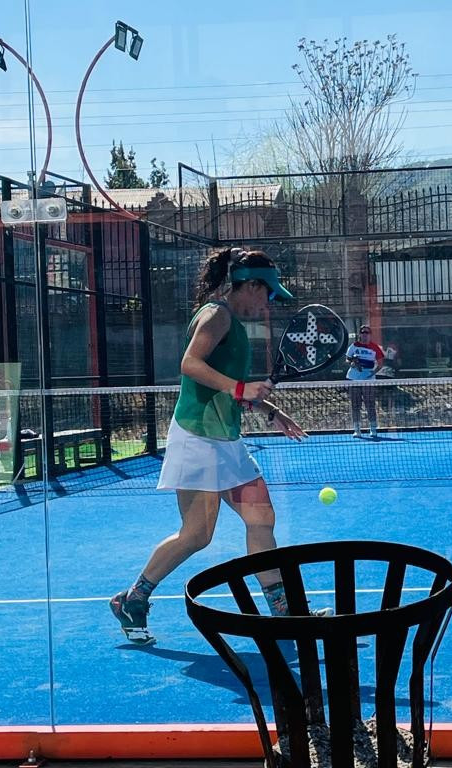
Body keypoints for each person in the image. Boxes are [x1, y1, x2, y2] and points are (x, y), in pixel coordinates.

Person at [110, 247, 329, 646]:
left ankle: (285, 614)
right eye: (267, 293)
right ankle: (133, 598)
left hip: (226, 441)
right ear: (250, 285)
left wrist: (271, 410)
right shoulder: (216, 314)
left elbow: (230, 388)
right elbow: (190, 364)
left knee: (261, 519)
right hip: (197, 439)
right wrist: (240, 388)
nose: (267, 303)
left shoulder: (235, 326)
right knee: (197, 535)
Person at [345, 325, 383, 438]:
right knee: (355, 404)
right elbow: (347, 359)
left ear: (370, 335)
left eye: (367, 333)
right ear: (360, 334)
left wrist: (372, 373)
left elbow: (380, 364)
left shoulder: (375, 347)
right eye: (363, 332)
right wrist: (351, 363)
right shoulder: (354, 346)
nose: (365, 335)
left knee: (370, 403)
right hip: (353, 378)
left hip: (368, 379)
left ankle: (373, 428)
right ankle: (357, 429)